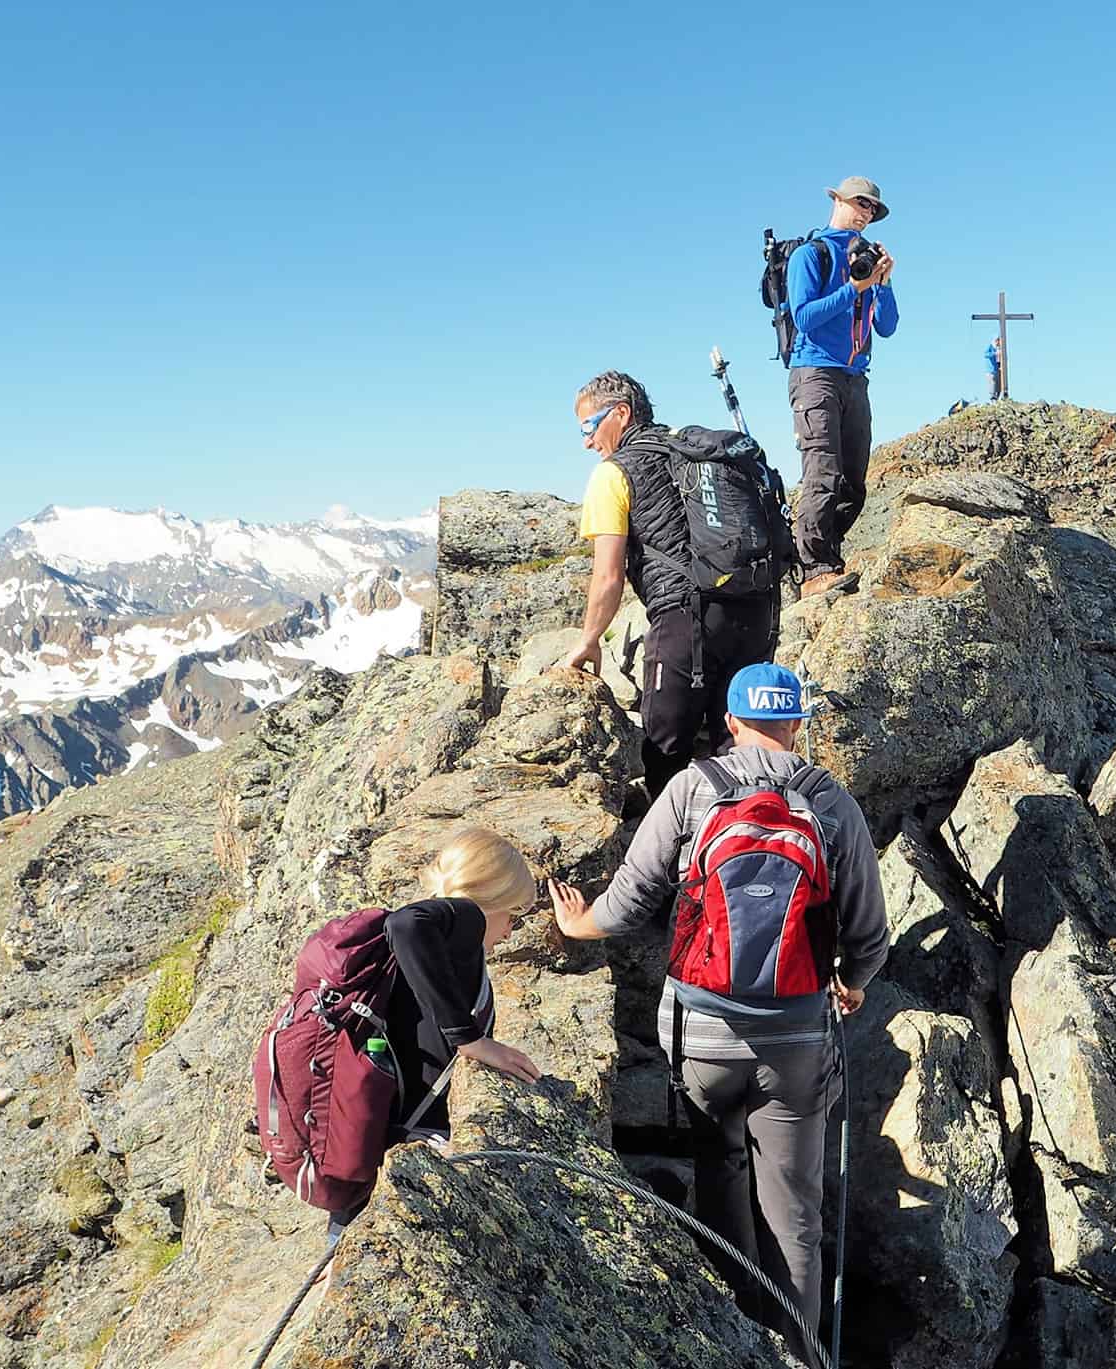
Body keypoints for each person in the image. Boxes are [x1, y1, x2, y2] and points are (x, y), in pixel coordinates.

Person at [550, 662, 889, 1358]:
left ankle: (734, 1331)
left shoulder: (693, 789)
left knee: (720, 1163)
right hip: (795, 1036)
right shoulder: (830, 802)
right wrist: (852, 983)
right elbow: (870, 937)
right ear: (796, 723)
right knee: (795, 1209)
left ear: (732, 721)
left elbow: (629, 902)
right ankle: (800, 1353)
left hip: (700, 1030)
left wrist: (579, 925)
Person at [562, 370, 781, 797]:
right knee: (736, 745)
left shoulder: (613, 474)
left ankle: (669, 857)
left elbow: (608, 574)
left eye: (589, 426)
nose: (587, 441)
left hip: (686, 620)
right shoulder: (693, 451)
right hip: (755, 608)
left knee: (665, 750)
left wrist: (589, 639)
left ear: (620, 414)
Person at [328, 826, 542, 1242]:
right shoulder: (464, 918)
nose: (511, 932)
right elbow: (406, 924)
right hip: (410, 1140)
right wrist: (470, 1038)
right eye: (512, 916)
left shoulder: (450, 944)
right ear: (490, 900)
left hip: (380, 1136)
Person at [786, 176, 899, 599]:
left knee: (853, 480)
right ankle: (813, 568)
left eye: (872, 209)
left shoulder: (867, 260)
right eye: (860, 203)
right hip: (814, 372)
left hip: (855, 377)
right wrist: (853, 288)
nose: (866, 213)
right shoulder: (810, 254)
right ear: (837, 200)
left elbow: (886, 327)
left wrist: (881, 284)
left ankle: (829, 557)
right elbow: (804, 317)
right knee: (822, 470)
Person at [985, 336, 1002, 401]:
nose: (998, 343)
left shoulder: (999, 348)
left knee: (999, 386)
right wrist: (994, 353)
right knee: (992, 385)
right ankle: (993, 399)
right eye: (997, 341)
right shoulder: (990, 347)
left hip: (997, 370)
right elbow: (985, 354)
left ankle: (997, 399)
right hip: (990, 371)